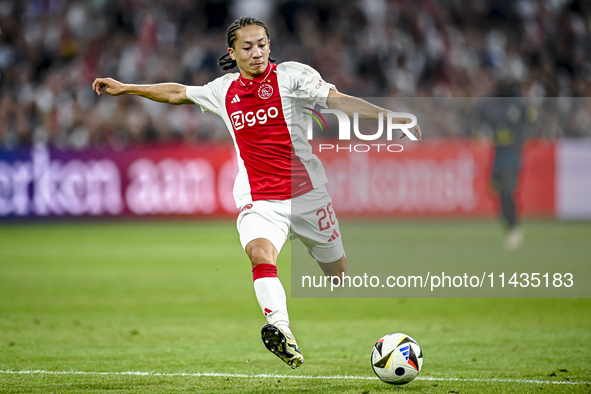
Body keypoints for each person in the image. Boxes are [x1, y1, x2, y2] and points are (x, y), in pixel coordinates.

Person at [92, 16, 421, 369]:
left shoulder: (293, 77)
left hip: (309, 198)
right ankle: (281, 329)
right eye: (247, 47)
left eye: (262, 44)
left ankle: (300, 301)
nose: (257, 53)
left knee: (337, 273)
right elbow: (177, 92)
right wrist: (126, 87)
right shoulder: (224, 90)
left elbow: (337, 101)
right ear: (231, 52)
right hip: (260, 202)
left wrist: (389, 117)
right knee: (260, 255)